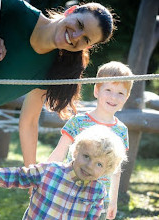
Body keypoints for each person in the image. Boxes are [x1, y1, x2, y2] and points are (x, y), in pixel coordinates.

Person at [0, 0, 116, 167]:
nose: (76, 37)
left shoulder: (54, 67)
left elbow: (29, 121)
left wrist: (31, 177)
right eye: (79, 24)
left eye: (86, 39)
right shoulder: (18, 10)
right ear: (71, 11)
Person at [0, 125, 127, 220]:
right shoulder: (49, 171)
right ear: (76, 152)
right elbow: (18, 176)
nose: (89, 166)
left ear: (106, 170)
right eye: (86, 156)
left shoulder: (98, 191)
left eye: (99, 164)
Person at [48, 61, 134, 220]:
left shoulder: (121, 131)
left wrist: (112, 201)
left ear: (127, 97)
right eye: (108, 90)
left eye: (120, 93)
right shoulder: (78, 121)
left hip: (97, 201)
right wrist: (43, 176)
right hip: (68, 192)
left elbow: (116, 170)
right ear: (97, 90)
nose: (113, 97)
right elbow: (59, 153)